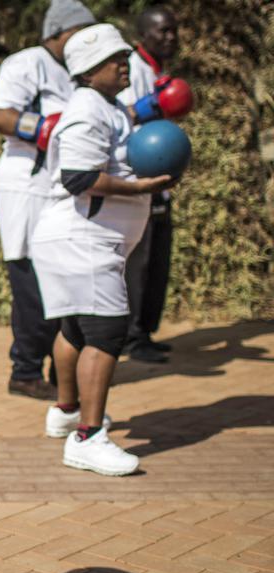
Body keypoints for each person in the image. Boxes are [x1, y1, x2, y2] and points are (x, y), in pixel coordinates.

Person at [29, 24, 176, 477]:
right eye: (116, 60)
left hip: (81, 238)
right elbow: (77, 176)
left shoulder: (105, 106)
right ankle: (88, 438)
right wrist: (141, 188)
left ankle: (68, 411)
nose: (124, 64)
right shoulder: (86, 110)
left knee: (76, 327)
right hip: (83, 241)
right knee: (108, 333)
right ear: (90, 72)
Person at [0, 0, 96, 401]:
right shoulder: (27, 62)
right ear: (57, 33)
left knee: (62, 275)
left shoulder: (80, 72)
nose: (85, 41)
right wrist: (42, 128)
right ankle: (26, 370)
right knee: (31, 278)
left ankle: (55, 366)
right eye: (79, 33)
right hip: (25, 186)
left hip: (60, 189)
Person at [118, 5, 193, 363]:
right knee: (141, 260)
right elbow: (123, 118)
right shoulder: (132, 67)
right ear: (143, 34)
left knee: (159, 256)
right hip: (139, 179)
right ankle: (132, 336)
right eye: (163, 31)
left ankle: (144, 331)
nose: (171, 37)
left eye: (173, 30)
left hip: (158, 179)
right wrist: (151, 106)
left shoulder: (154, 69)